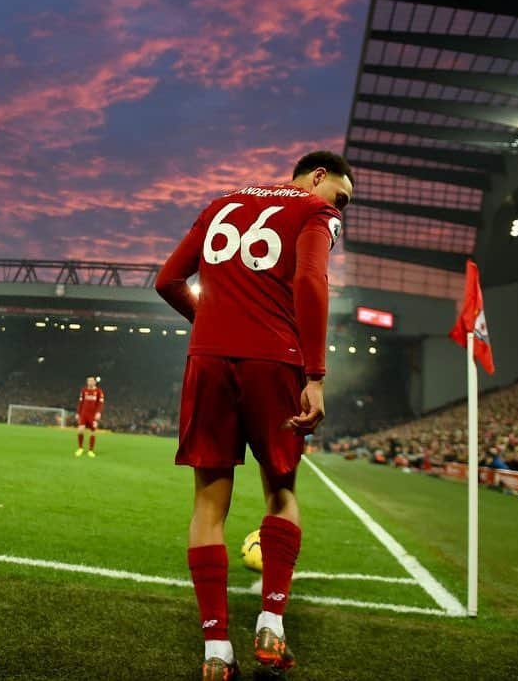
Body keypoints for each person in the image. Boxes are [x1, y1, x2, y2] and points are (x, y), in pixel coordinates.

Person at [154, 151, 352, 679]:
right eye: (342, 196)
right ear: (317, 177)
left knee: (207, 504)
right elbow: (311, 280)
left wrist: (217, 326)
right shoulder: (315, 212)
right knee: (282, 490)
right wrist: (315, 374)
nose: (342, 210)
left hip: (208, 361)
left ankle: (216, 652)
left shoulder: (221, 202)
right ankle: (271, 622)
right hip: (276, 361)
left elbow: (167, 280)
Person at [75, 375, 105, 458]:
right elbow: (80, 403)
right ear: (87, 382)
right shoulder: (84, 391)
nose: (90, 382)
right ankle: (80, 448)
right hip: (84, 414)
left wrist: (98, 412)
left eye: (92, 381)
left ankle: (91, 450)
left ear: (95, 382)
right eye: (89, 381)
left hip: (93, 415)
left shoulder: (99, 391)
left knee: (93, 432)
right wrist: (78, 413)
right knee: (80, 430)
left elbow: (100, 403)